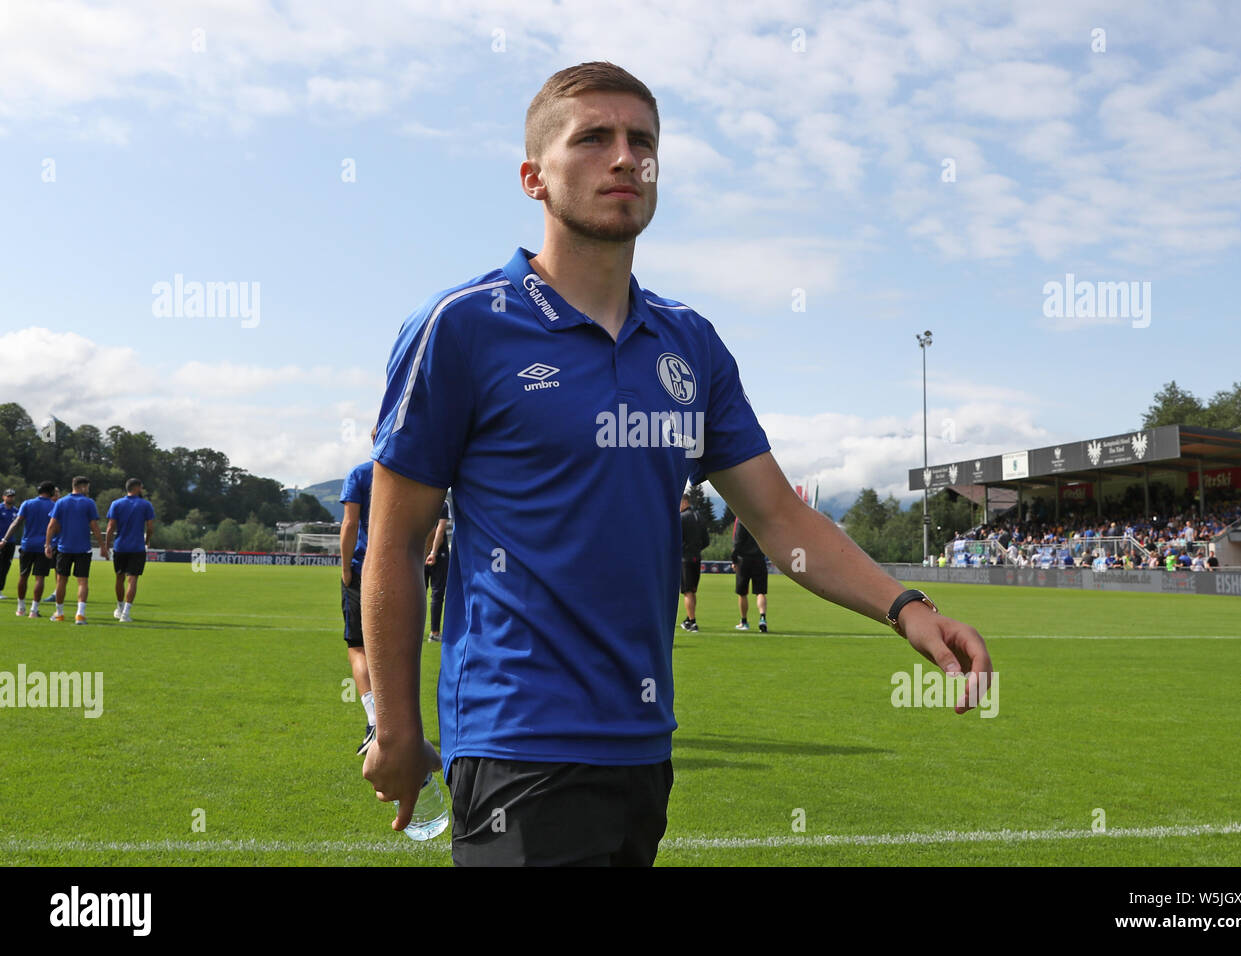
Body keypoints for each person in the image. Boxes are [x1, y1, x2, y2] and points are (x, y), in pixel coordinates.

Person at [360, 61, 991, 867]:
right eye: (593, 139)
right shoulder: (462, 327)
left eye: (642, 141)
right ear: (533, 177)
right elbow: (396, 542)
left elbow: (778, 516)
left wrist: (907, 606)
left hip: (644, 747)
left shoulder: (690, 341)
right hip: (517, 740)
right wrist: (397, 728)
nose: (625, 159)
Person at [340, 448, 377, 756]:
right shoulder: (415, 471)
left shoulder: (361, 474)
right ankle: (399, 722)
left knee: (358, 646)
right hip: (401, 570)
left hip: (364, 566)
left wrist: (344, 569)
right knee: (392, 649)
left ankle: (375, 720)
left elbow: (350, 523)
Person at [45, 476, 103, 624]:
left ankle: (59, 613)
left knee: (61, 581)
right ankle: (80, 615)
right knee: (82, 582)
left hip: (64, 548)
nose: (88, 490)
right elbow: (95, 527)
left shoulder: (61, 502)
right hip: (83, 549)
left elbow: (51, 526)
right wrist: (103, 545)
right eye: (87, 487)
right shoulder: (89, 503)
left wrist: (47, 545)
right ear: (82, 487)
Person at [1, 481, 58, 617]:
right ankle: (34, 610)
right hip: (44, 546)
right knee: (40, 578)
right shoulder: (54, 505)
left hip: (27, 545)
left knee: (23, 576)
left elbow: (16, 523)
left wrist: (4, 539)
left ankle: (20, 608)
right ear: (50, 492)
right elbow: (57, 526)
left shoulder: (27, 503)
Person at [103, 478, 155, 622]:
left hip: (120, 546)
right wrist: (147, 540)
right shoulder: (146, 505)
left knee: (119, 578)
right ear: (137, 488)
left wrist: (107, 545)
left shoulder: (116, 504)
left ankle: (119, 608)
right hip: (137, 547)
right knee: (132, 580)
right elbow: (150, 527)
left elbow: (110, 528)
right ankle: (126, 613)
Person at [678, 491, 709, 632]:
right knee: (692, 591)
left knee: (687, 592)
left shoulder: (682, 518)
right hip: (697, 558)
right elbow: (706, 541)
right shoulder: (699, 517)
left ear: (684, 502)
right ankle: (689, 618)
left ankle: (692, 621)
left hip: (685, 559)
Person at [731, 518, 768, 632]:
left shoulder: (742, 519)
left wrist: (733, 560)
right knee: (760, 592)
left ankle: (744, 621)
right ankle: (762, 618)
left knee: (742, 593)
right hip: (759, 559)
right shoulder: (761, 520)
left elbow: (737, 542)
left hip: (744, 560)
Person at [424, 496, 452, 641]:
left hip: (420, 554)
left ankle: (412, 632)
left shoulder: (417, 501)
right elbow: (440, 530)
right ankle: (434, 633)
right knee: (437, 594)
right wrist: (433, 552)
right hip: (438, 554)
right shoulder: (442, 503)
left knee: (418, 594)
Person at [0, 488, 19, 599]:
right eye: (8, 496)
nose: (10, 498)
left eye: (12, 496)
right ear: (4, 497)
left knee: (5, 567)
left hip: (10, 542)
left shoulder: (16, 511)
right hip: (0, 541)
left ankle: (0, 590)